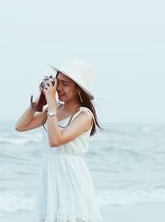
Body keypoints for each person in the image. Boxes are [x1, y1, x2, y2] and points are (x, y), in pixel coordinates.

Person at [15, 58, 103, 222]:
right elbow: (20, 126)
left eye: (65, 84)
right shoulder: (53, 110)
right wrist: (38, 103)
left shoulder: (84, 115)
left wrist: (51, 107)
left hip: (71, 177)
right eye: (57, 82)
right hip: (50, 175)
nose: (59, 88)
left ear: (78, 89)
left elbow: (55, 140)